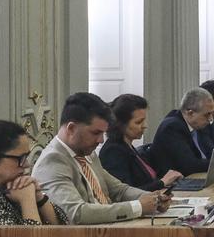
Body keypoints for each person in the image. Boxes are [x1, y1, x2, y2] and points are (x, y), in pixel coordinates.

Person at [34, 93, 167, 224]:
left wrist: (151, 199)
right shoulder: (53, 161)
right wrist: (138, 207)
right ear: (71, 129)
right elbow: (76, 213)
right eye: (96, 133)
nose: (101, 140)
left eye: (103, 133)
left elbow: (119, 190)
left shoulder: (87, 153)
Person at [151, 88, 214, 176]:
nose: (210, 119)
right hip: (176, 186)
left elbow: (209, 154)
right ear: (190, 113)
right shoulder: (172, 127)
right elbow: (189, 165)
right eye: (207, 115)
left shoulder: (196, 124)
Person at [99, 94, 184, 191]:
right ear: (120, 124)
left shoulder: (128, 146)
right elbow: (126, 193)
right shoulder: (113, 152)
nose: (145, 126)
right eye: (138, 122)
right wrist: (163, 182)